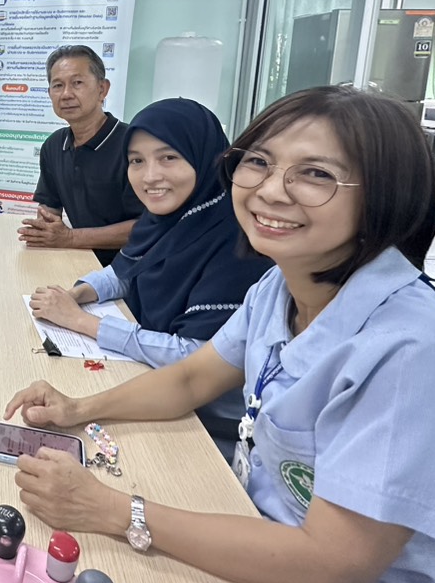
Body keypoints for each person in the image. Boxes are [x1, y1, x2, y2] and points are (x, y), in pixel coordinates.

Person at [4, 86, 435, 583]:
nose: (271, 190)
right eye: (259, 162)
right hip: (273, 579)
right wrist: (79, 409)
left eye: (316, 174)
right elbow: (191, 380)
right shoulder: (281, 286)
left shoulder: (409, 357)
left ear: (385, 196)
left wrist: (114, 511)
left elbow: (334, 567)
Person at [27, 98, 272, 442]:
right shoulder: (167, 217)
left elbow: (194, 357)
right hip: (151, 386)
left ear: (207, 157)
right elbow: (126, 271)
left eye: (169, 157)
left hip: (203, 426)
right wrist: (76, 294)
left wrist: (81, 322)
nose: (150, 176)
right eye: (136, 161)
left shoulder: (238, 241)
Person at [19, 45, 143, 266]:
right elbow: (49, 208)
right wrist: (45, 231)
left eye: (77, 83)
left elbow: (147, 226)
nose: (66, 94)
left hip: (133, 269)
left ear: (102, 89)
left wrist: (70, 238)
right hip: (78, 260)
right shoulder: (54, 145)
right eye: (58, 85)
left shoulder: (134, 145)